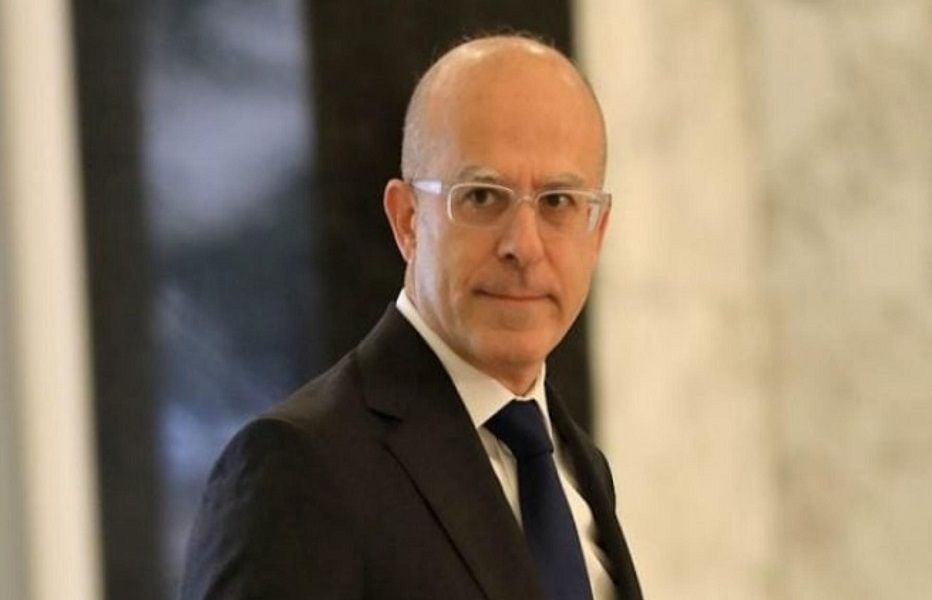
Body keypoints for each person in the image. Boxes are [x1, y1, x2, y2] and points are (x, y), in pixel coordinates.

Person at [180, 34, 642, 600]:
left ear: (597, 231)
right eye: (481, 196)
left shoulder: (582, 470)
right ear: (406, 220)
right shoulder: (298, 467)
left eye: (557, 202)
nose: (524, 246)